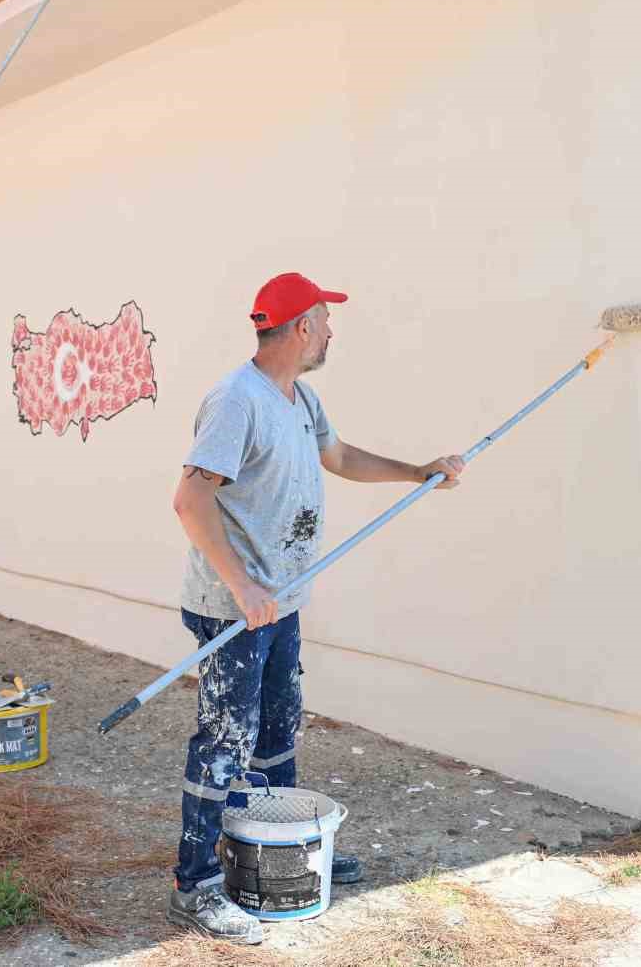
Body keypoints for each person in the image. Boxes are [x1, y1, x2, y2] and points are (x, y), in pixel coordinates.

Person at [166, 272, 466, 944]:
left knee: (276, 735)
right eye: (326, 321)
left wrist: (418, 472)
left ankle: (282, 849)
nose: (332, 332)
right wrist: (242, 587)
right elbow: (191, 500)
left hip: (280, 602)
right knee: (224, 743)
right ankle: (196, 884)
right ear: (301, 326)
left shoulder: (301, 398)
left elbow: (341, 457)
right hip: (233, 609)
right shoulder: (236, 402)